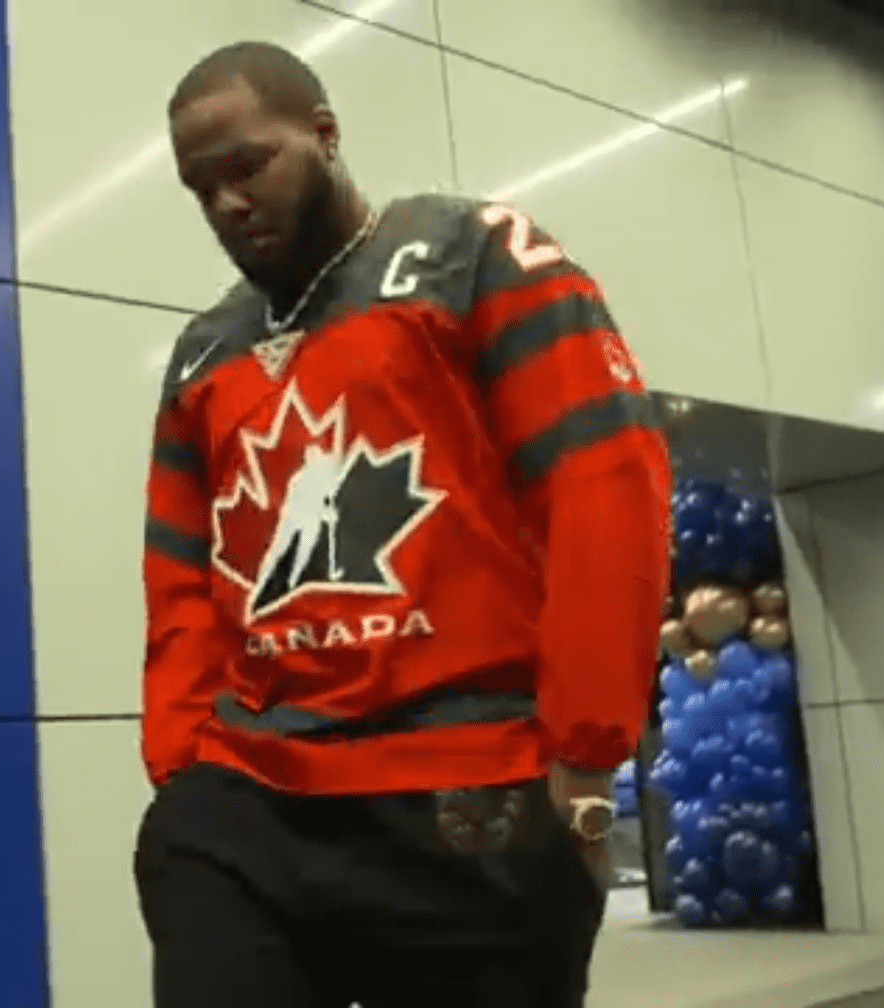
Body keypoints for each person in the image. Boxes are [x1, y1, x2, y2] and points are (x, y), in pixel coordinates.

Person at [135, 41, 672, 1008]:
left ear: (324, 135)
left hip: (469, 793)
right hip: (252, 798)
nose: (225, 203)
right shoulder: (205, 351)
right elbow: (177, 573)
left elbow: (603, 485)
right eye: (198, 186)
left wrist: (586, 757)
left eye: (248, 166)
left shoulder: (473, 256)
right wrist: (180, 768)